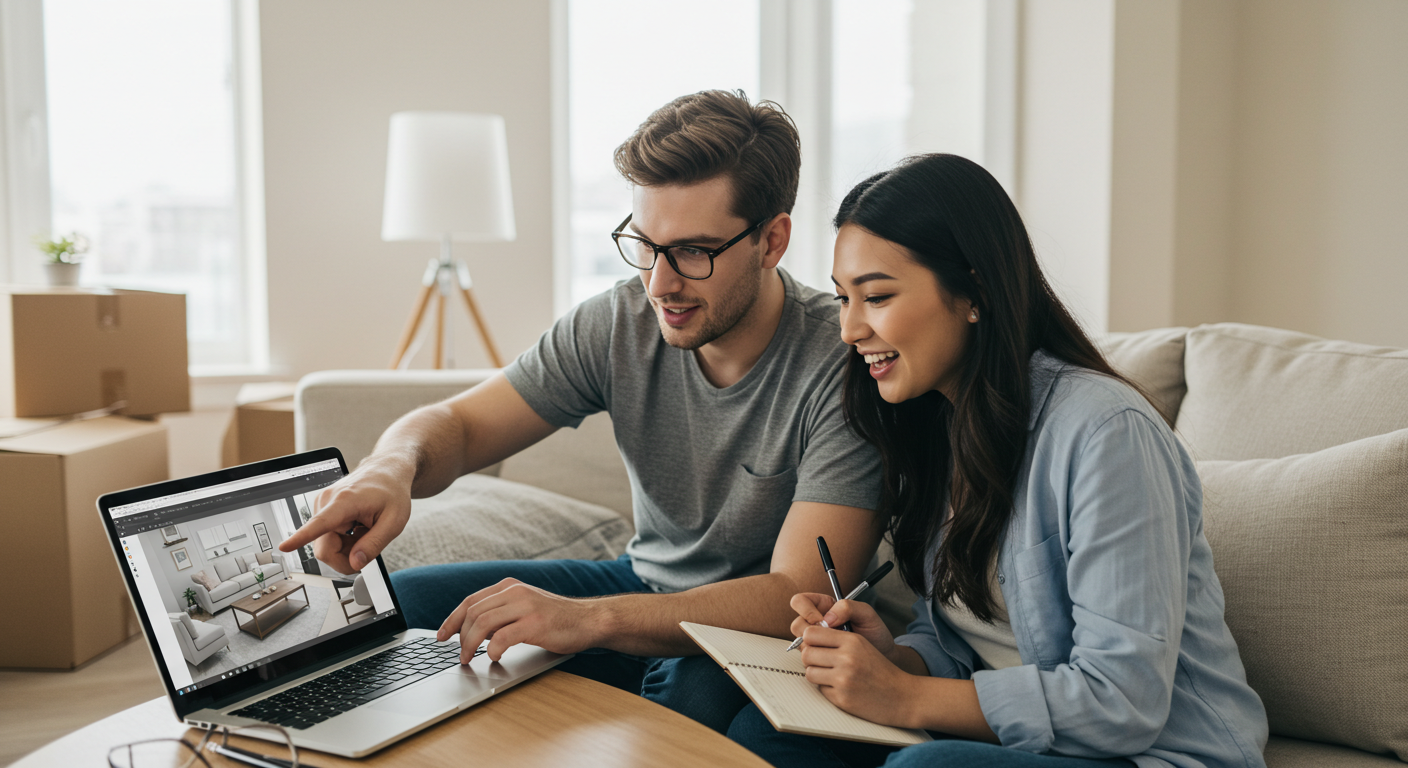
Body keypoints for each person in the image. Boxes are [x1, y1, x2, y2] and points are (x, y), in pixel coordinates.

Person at [279, 90, 883, 733]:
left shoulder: (844, 361)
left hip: (759, 633)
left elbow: (794, 593)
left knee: (691, 698)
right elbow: (458, 426)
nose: (659, 283)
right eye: (644, 244)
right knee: (404, 603)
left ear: (772, 240)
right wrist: (390, 468)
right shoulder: (620, 321)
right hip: (640, 582)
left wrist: (589, 620)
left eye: (693, 252)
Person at [726, 154, 1269, 768]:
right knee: (765, 734)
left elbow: (1123, 700)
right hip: (1008, 743)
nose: (849, 329)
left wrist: (905, 696)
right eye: (842, 298)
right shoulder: (936, 424)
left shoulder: (1106, 433)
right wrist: (893, 659)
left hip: (1150, 754)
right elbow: (967, 639)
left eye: (875, 297)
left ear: (974, 293)